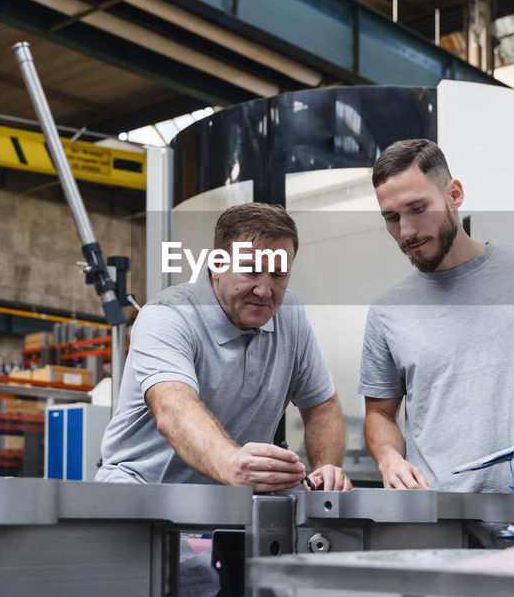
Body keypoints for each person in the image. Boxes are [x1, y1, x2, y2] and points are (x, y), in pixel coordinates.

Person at [359, 139, 514, 524]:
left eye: (418, 209)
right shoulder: (387, 311)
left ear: (454, 194)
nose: (406, 231)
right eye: (392, 218)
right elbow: (379, 413)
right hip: (436, 523)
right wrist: (389, 457)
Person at [97, 202, 351, 492]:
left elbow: (321, 407)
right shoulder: (167, 316)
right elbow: (174, 410)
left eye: (279, 275)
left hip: (232, 500)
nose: (265, 290)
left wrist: (326, 468)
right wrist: (231, 463)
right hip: (143, 494)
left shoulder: (290, 314)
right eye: (251, 271)